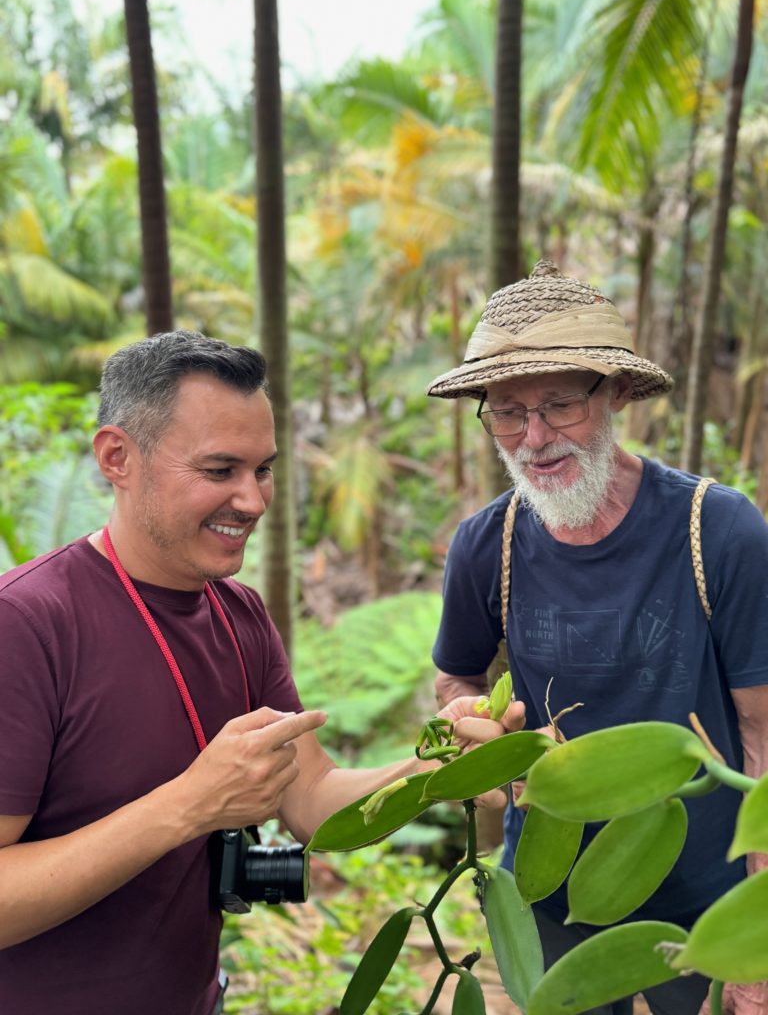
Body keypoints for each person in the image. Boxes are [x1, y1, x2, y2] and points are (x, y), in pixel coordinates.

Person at [0, 330, 524, 1015]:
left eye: (264, 470)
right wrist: (190, 805)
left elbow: (312, 798)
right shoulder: (29, 624)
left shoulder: (238, 615)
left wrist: (438, 772)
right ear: (117, 458)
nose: (252, 500)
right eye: (220, 471)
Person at [427, 260, 768, 1015]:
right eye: (507, 413)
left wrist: (756, 945)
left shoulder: (719, 531)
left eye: (558, 405)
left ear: (615, 393)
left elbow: (763, 738)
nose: (535, 438)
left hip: (708, 898)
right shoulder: (488, 546)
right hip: (550, 889)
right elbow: (457, 678)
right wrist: (470, 720)